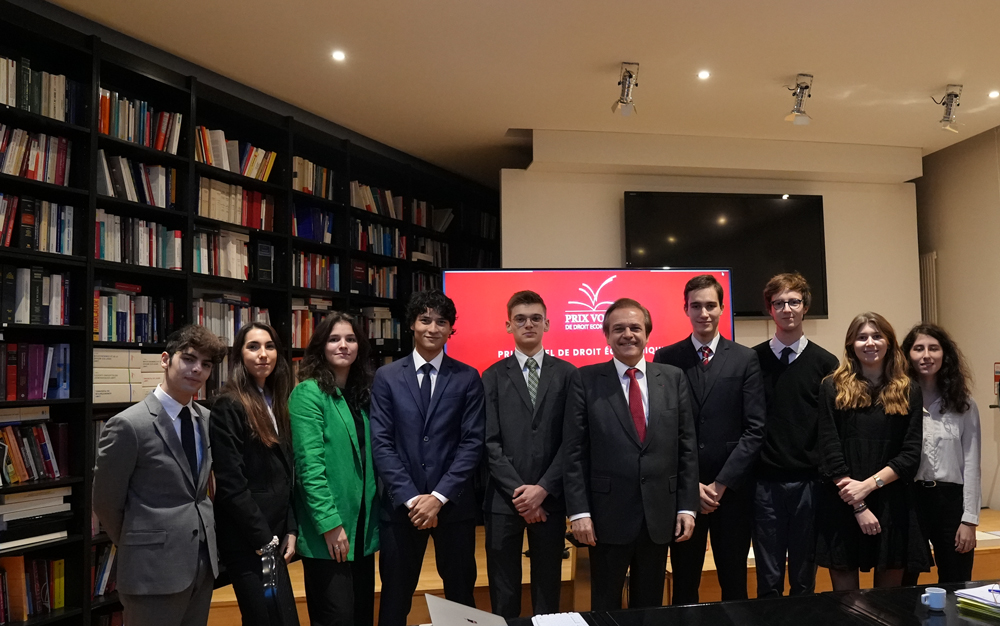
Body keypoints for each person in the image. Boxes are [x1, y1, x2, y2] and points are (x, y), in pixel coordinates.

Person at [565, 298, 698, 611]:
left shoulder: (673, 378)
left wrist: (688, 507)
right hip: (605, 517)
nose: (627, 334)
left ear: (647, 334)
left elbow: (686, 446)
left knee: (649, 606)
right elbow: (574, 451)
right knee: (605, 605)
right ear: (607, 336)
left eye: (635, 328)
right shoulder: (585, 380)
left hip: (659, 516)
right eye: (618, 329)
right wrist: (579, 513)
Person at [92, 325, 227, 626]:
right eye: (189, 359)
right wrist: (141, 543)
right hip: (151, 571)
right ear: (165, 360)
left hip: (202, 565)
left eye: (206, 365)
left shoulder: (206, 420)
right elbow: (105, 502)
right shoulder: (129, 425)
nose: (197, 369)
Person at [370, 289, 485, 626]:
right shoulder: (387, 377)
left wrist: (437, 497)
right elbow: (381, 443)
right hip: (400, 506)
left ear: (451, 330)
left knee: (462, 595)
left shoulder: (467, 377)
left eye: (442, 321)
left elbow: (472, 443)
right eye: (425, 320)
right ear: (412, 325)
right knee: (395, 596)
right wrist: (411, 498)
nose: (433, 328)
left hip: (454, 505)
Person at [653, 274, 766, 604]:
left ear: (721, 308)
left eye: (711, 306)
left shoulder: (745, 358)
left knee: (734, 582)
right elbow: (663, 428)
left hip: (730, 492)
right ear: (685, 309)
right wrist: (692, 487)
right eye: (696, 306)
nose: (704, 313)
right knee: (685, 584)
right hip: (684, 494)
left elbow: (755, 428)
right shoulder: (666, 358)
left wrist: (720, 484)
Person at [482, 290, 583, 618]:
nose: (529, 324)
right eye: (521, 319)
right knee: (504, 587)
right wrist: (521, 494)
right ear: (508, 325)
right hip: (503, 501)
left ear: (547, 324)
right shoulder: (492, 376)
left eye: (535, 318)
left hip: (551, 500)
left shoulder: (569, 374)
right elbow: (489, 443)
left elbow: (572, 440)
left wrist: (541, 491)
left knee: (547, 586)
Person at [816, 312, 929, 590]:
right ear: (851, 344)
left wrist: (867, 486)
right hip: (843, 501)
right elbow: (829, 450)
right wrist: (859, 503)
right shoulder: (832, 386)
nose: (870, 342)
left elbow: (910, 453)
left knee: (889, 606)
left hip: (892, 501)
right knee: (848, 605)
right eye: (862, 337)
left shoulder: (908, 390)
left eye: (877, 336)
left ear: (889, 342)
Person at [751, 273, 839, 597]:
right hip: (764, 485)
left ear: (805, 307)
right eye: (779, 303)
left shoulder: (826, 363)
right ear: (769, 309)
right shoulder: (752, 360)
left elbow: (831, 428)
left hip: (809, 484)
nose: (787, 308)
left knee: (804, 579)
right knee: (768, 579)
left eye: (793, 301)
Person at [289, 313, 380, 626]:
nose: (344, 345)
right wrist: (330, 524)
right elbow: (308, 467)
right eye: (334, 339)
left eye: (351, 339)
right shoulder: (308, 393)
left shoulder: (360, 396)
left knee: (361, 616)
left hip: (362, 531)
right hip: (330, 530)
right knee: (336, 617)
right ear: (321, 347)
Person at [209, 322, 297, 626]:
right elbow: (231, 483)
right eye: (253, 346)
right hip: (249, 540)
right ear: (239, 355)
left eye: (269, 346)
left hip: (276, 536)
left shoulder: (279, 400)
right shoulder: (228, 404)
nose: (263, 354)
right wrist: (264, 540)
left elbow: (289, 474)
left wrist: (292, 529)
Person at [900, 323, 981, 585]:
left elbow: (971, 463)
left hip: (950, 502)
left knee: (956, 581)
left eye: (933, 348)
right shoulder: (897, 400)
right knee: (904, 583)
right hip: (909, 500)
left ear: (944, 354)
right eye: (918, 348)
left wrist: (969, 520)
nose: (926, 355)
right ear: (907, 355)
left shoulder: (964, 404)